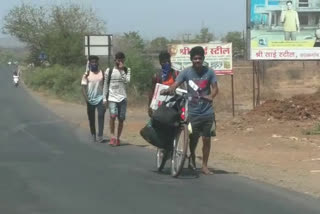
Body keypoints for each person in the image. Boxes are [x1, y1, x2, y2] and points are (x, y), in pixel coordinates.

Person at [161, 46, 219, 175]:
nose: (197, 61)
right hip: (192, 111)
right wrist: (169, 89)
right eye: (195, 58)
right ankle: (192, 155)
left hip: (207, 111)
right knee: (193, 139)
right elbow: (175, 84)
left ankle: (204, 165)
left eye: (199, 58)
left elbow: (215, 88)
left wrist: (211, 96)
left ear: (203, 59)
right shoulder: (186, 72)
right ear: (191, 59)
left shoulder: (209, 72)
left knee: (207, 139)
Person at [103, 52, 131, 146]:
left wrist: (122, 70)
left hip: (122, 98)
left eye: (122, 60)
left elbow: (126, 81)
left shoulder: (127, 70)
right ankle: (112, 137)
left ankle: (118, 138)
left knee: (121, 119)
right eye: (118, 60)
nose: (120, 62)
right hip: (112, 98)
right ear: (115, 60)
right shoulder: (109, 71)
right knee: (113, 116)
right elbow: (105, 85)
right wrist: (104, 98)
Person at [81, 55, 106, 143]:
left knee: (101, 116)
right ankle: (93, 134)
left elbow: (105, 86)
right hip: (90, 99)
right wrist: (86, 99)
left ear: (98, 63)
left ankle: (100, 135)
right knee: (91, 118)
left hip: (100, 98)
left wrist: (105, 98)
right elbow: (83, 87)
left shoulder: (102, 73)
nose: (94, 64)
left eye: (95, 62)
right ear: (90, 63)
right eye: (92, 62)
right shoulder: (86, 74)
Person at [148, 51, 179, 117]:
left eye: (168, 61)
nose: (167, 64)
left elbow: (182, 91)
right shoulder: (156, 76)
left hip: (174, 107)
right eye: (164, 62)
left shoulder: (176, 74)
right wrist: (149, 106)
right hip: (160, 107)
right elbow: (152, 92)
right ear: (160, 63)